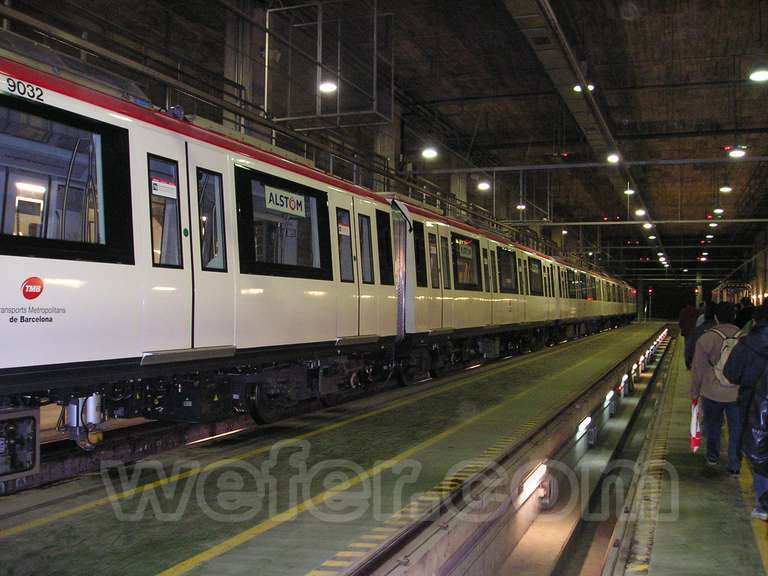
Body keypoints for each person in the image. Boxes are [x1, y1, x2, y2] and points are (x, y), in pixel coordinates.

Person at [724, 304, 768, 519]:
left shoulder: (746, 344)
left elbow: (731, 373)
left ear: (756, 320)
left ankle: (762, 500)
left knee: (750, 438)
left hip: (749, 400)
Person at [690, 302, 741, 472]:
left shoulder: (706, 338)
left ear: (716, 317)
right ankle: (734, 464)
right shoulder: (744, 338)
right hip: (737, 393)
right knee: (736, 428)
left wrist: (694, 392)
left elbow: (697, 369)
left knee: (712, 425)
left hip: (711, 392)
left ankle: (713, 456)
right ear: (734, 316)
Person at [685, 301, 716, 369]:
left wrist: (689, 361)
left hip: (701, 368)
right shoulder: (721, 330)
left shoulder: (697, 330)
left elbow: (689, 348)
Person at [679, 300, 700, 370]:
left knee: (687, 346)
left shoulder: (683, 311)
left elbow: (681, 322)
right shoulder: (696, 311)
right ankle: (691, 360)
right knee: (693, 346)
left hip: (686, 331)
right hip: (694, 331)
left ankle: (687, 361)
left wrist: (682, 327)